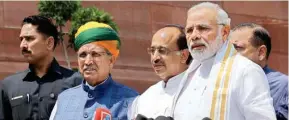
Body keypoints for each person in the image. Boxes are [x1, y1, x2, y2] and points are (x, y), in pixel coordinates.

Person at [171, 2, 276, 120]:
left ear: (225, 32)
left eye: (203, 28)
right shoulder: (189, 74)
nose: (194, 36)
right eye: (189, 30)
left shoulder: (246, 71)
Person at [49, 21, 139, 120]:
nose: (88, 62)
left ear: (111, 60)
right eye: (83, 55)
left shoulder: (131, 100)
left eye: (95, 54)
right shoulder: (64, 99)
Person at [0, 15, 82, 120]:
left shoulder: (76, 83)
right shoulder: (8, 86)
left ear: (49, 43)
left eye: (29, 39)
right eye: (21, 39)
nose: (22, 45)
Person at [128, 24, 192, 119]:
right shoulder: (145, 97)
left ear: (184, 56)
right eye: (152, 51)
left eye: (162, 51)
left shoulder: (197, 91)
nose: (155, 58)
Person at [230, 23, 288, 120]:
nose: (229, 55)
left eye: (238, 49)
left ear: (261, 52)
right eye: (228, 50)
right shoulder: (220, 79)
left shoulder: (283, 86)